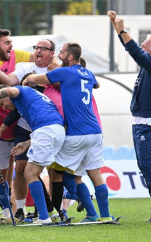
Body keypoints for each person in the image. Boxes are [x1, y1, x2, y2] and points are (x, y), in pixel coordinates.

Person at [23, 42, 112, 223]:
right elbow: (97, 84)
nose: (59, 57)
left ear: (70, 57)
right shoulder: (88, 73)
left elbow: (37, 79)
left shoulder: (63, 72)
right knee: (95, 175)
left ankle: (67, 199)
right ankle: (102, 216)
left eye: (61, 53)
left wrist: (27, 79)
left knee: (56, 170)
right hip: (95, 132)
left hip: (77, 133)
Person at [108, 11, 151, 223]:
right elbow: (135, 50)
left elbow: (135, 51)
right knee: (144, 165)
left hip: (147, 125)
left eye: (145, 46)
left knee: (147, 166)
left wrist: (123, 30)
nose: (141, 49)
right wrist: (118, 29)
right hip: (140, 123)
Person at [0, 39, 59, 222]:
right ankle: (32, 211)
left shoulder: (22, 91)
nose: (3, 108)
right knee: (25, 169)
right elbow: (9, 118)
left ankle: (47, 214)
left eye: (44, 48)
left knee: (35, 172)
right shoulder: (24, 74)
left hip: (45, 129)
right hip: (43, 130)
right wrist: (22, 142)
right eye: (36, 48)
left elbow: (10, 91)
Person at [0, 84, 65, 224]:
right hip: (56, 131)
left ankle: (44, 217)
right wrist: (26, 143)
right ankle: (49, 213)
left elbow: (9, 90)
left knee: (29, 173)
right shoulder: (29, 101)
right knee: (38, 173)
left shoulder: (19, 91)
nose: (4, 108)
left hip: (46, 132)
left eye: (3, 102)